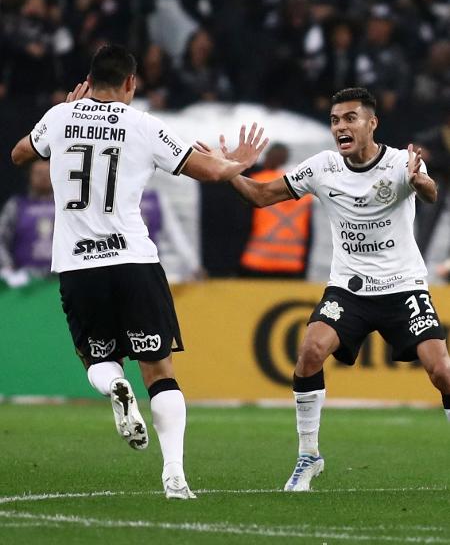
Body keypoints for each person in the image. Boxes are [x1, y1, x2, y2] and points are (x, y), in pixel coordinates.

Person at [11, 43, 267, 499]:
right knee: (159, 369)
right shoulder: (143, 125)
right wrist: (238, 164)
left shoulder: (58, 117)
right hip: (134, 260)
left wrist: (63, 118)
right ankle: (175, 476)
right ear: (131, 83)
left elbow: (18, 156)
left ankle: (114, 387)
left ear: (88, 81)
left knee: (96, 359)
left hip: (78, 264)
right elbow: (207, 171)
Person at [217, 86, 450, 491]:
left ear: (371, 123)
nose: (340, 126)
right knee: (309, 353)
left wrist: (418, 180)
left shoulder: (399, 162)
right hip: (349, 289)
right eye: (335, 120)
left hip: (403, 287)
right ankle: (308, 457)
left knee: (442, 371)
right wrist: (229, 171)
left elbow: (430, 194)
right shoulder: (323, 166)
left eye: (350, 118)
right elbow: (259, 196)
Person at [239, 142, 313, 279]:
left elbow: (243, 225)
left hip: (257, 263)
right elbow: (310, 234)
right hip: (292, 265)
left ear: (269, 158)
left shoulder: (258, 183)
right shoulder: (303, 191)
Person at [0, 159, 54, 288]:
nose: (43, 177)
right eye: (38, 173)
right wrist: (8, 268)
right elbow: (1, 239)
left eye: (48, 173)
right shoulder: (16, 206)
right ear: (30, 176)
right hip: (25, 281)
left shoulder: (66, 206)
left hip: (60, 278)